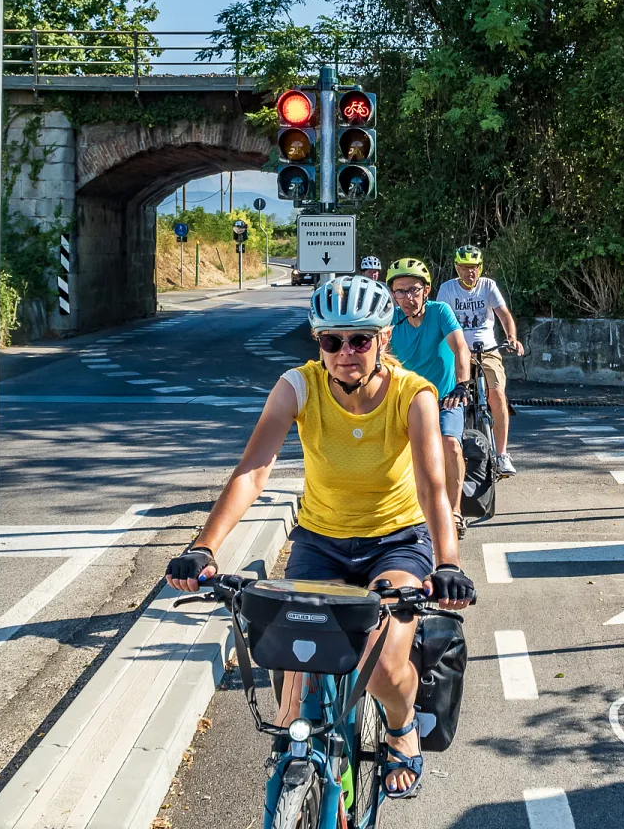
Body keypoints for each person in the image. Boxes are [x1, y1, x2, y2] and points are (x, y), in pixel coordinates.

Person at [165, 275, 473, 800]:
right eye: (333, 341)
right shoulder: (298, 386)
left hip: (395, 541)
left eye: (359, 340)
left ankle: (400, 731)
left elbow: (431, 485)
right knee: (291, 669)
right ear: (319, 343)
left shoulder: (412, 395)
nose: (346, 353)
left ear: (383, 339)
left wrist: (447, 562)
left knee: (380, 658)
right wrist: (203, 546)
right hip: (320, 541)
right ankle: (298, 773)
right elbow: (253, 470)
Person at [385, 258, 473, 538]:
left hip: (446, 396)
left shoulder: (440, 312)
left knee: (450, 445)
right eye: (400, 291)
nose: (408, 298)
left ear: (426, 290)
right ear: (392, 294)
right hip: (407, 400)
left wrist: (462, 385)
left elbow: (460, 347)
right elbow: (377, 356)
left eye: (414, 289)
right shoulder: (390, 321)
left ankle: (455, 511)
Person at [437, 245, 522, 477]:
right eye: (464, 267)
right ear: (457, 268)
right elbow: (439, 320)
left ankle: (503, 454)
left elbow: (504, 314)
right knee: (449, 396)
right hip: (457, 351)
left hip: (488, 350)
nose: (469, 272)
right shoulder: (447, 289)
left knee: (498, 395)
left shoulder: (488, 286)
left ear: (480, 268)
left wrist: (512, 337)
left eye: (473, 268)